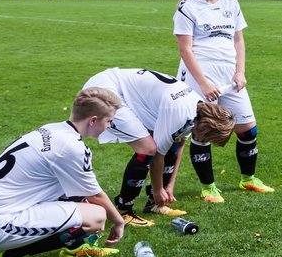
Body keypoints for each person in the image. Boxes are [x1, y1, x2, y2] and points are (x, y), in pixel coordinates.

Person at [0, 88, 128, 257]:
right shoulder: (69, 146)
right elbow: (95, 195)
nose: (108, 126)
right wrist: (119, 221)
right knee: (97, 216)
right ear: (93, 120)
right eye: (109, 121)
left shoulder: (53, 129)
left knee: (80, 199)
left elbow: (79, 190)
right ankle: (7, 256)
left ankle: (77, 247)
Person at [174, 0, 273, 203]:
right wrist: (204, 83)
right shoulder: (188, 7)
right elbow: (185, 49)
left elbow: (238, 40)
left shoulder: (231, 3)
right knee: (203, 131)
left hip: (230, 77)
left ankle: (248, 179)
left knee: (248, 129)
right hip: (200, 79)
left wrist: (240, 72)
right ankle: (209, 187)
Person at [86, 67, 237, 226]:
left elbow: (178, 146)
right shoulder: (180, 113)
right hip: (105, 90)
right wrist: (159, 190)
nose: (204, 141)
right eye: (207, 138)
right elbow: (158, 156)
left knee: (171, 145)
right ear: (206, 127)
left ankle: (154, 204)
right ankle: (124, 210)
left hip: (122, 92)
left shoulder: (197, 109)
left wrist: (169, 185)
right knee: (147, 149)